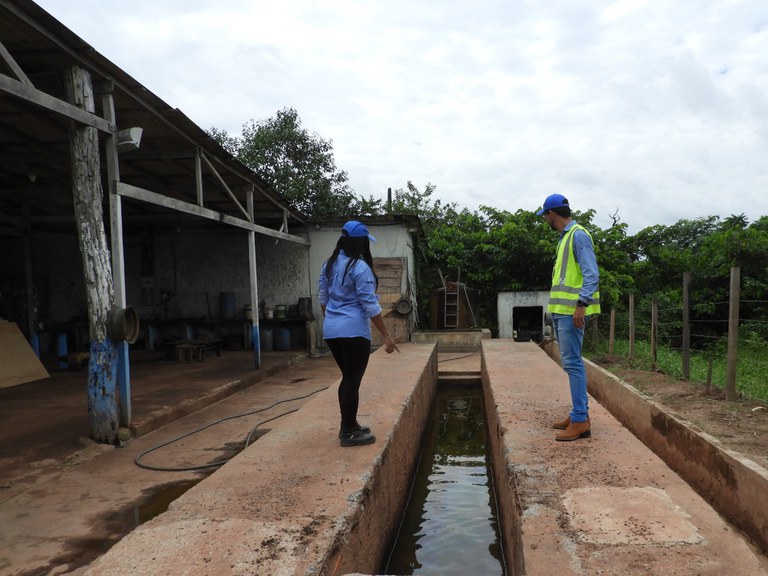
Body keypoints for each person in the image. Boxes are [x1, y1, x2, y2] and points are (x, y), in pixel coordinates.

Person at [318, 220, 400, 447]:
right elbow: (370, 305)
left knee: (348, 378)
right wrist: (386, 335)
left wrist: (333, 321)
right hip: (354, 332)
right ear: (361, 243)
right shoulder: (360, 268)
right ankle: (347, 433)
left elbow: (323, 300)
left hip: (332, 331)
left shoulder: (328, 265)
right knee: (352, 380)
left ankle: (351, 424)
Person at [536, 194, 601, 441]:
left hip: (572, 312)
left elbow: (591, 274)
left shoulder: (578, 235)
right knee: (572, 363)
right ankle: (577, 414)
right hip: (564, 312)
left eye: (545, 217)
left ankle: (580, 420)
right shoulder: (567, 238)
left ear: (551, 214)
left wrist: (581, 305)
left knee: (573, 364)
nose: (545, 222)